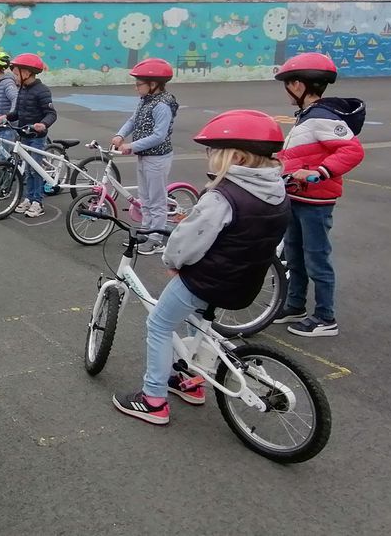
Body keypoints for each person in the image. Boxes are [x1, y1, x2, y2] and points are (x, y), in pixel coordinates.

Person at [113, 110, 290, 425]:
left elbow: (186, 242)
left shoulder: (222, 198)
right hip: (244, 281)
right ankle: (189, 381)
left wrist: (172, 262)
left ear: (237, 157)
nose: (209, 158)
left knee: (158, 324)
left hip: (208, 280)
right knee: (192, 323)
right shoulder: (277, 191)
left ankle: (153, 399)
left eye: (214, 152)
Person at [271, 53, 365, 338]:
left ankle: (325, 317)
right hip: (297, 197)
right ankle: (295, 305)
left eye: (287, 83)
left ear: (299, 85)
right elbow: (301, 153)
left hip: (315, 202)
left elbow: (352, 150)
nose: (286, 90)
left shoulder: (322, 116)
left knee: (316, 259)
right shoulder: (308, 115)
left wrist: (321, 172)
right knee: (294, 257)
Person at [111, 58, 178, 255]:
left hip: (157, 158)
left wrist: (130, 146)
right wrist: (120, 134)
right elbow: (133, 120)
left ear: (153, 84)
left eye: (139, 84)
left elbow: (159, 136)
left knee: (157, 201)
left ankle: (156, 239)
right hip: (144, 156)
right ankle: (147, 231)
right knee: (146, 198)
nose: (136, 88)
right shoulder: (146, 100)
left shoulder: (162, 105)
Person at [0, 53, 56, 218]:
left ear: (27, 73)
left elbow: (51, 114)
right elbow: (17, 113)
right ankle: (29, 198)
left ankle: (38, 202)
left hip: (37, 136)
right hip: (23, 134)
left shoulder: (42, 90)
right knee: (27, 170)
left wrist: (43, 124)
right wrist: (6, 117)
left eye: (16, 74)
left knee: (35, 169)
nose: (14, 77)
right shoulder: (22, 89)